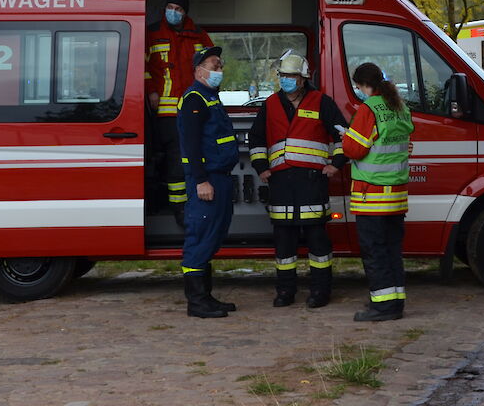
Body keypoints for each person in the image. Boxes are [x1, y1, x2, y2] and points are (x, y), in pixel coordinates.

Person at [248, 53, 347, 308]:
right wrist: (261, 167)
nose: (286, 80)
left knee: (317, 240)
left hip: (312, 182)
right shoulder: (270, 104)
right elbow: (256, 138)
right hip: (281, 182)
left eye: (291, 76)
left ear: (303, 79)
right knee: (284, 241)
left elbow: (342, 136)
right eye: (282, 76)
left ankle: (320, 292)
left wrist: (335, 165)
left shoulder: (321, 102)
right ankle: (285, 292)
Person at [342, 62, 414, 322]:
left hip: (371, 195)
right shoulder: (400, 107)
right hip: (396, 195)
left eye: (358, 87)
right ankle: (395, 302)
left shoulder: (369, 108)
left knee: (375, 252)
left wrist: (345, 138)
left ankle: (382, 306)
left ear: (363, 86)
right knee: (392, 250)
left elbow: (355, 149)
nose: (358, 91)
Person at [177, 46, 239, 318]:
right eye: (214, 66)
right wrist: (201, 181)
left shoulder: (210, 96)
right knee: (199, 239)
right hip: (207, 180)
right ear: (199, 70)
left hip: (220, 178)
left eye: (220, 66)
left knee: (212, 237)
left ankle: (207, 297)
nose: (219, 70)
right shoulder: (194, 99)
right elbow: (190, 145)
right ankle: (197, 302)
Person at [146, 0, 212, 222]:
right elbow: (142, 68)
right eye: (170, 7)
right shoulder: (151, 33)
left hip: (193, 109)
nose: (173, 12)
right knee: (176, 157)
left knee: (194, 155)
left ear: (185, 13)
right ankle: (178, 208)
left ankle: (196, 202)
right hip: (165, 111)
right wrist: (151, 90)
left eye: (179, 9)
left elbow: (212, 66)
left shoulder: (198, 35)